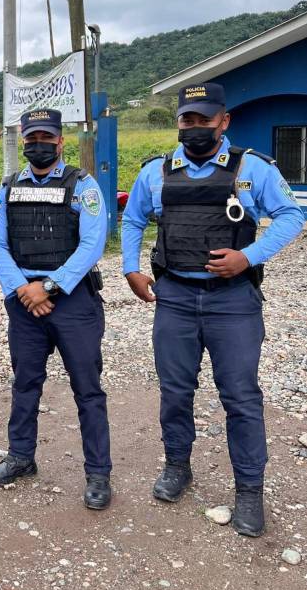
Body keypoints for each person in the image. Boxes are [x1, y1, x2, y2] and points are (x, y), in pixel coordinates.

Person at [122, 81, 304, 536]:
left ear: (224, 121)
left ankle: (248, 491)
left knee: (240, 397)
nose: (196, 127)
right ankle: (178, 466)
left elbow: (292, 215)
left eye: (205, 119)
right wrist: (130, 268)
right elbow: (133, 218)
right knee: (175, 392)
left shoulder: (252, 169)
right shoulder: (156, 172)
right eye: (188, 119)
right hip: (175, 297)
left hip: (233, 301)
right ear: (179, 122)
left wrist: (250, 256)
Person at [0, 108, 112, 509]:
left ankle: (98, 473)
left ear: (60, 140)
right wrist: (23, 289)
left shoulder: (83, 185)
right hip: (25, 301)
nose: (38, 144)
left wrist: (50, 287)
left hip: (72, 300)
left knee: (87, 390)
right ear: (23, 140)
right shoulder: (7, 187)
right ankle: (21, 457)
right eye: (31, 138)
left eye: (46, 137)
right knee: (25, 384)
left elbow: (93, 243)